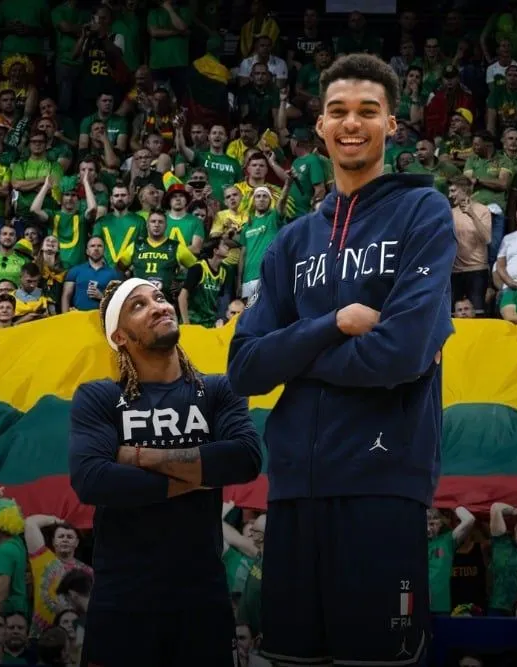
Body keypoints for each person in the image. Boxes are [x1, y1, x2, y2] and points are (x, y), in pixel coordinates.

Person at [227, 53, 456, 666]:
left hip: (383, 482)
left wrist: (295, 354)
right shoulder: (292, 238)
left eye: (367, 112)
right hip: (293, 487)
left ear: (392, 126)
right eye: (338, 112)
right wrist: (331, 325)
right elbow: (244, 368)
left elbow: (399, 355)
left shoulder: (424, 212)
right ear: (321, 129)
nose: (351, 123)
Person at [68, 278, 262, 665]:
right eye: (138, 305)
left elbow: (245, 458)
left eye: (158, 297)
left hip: (201, 598)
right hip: (123, 600)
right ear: (120, 337)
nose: (159, 306)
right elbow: (93, 480)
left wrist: (141, 457)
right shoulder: (100, 396)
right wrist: (198, 475)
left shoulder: (219, 389)